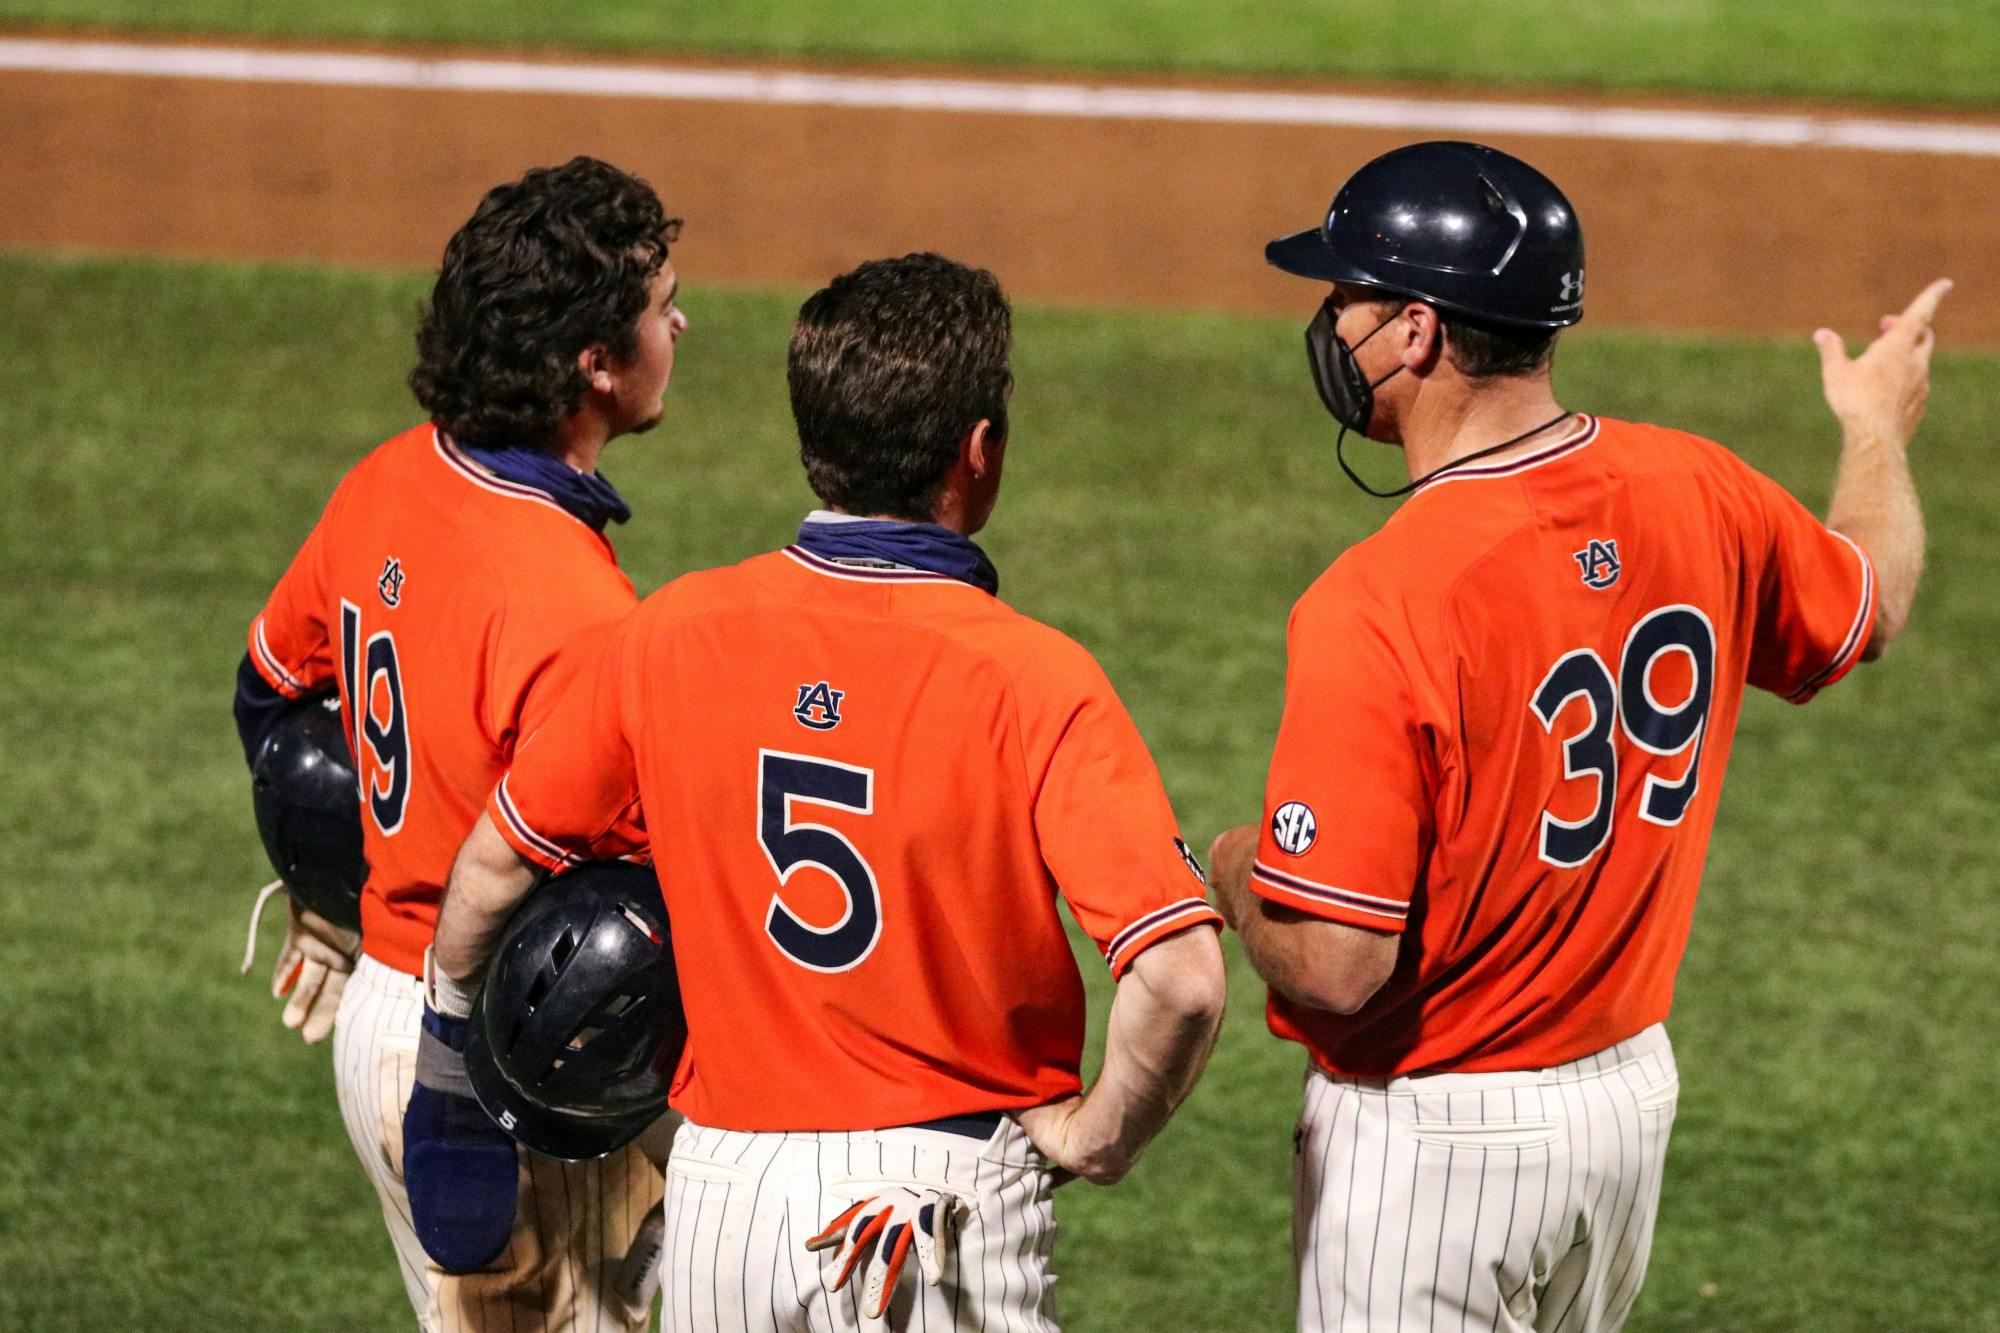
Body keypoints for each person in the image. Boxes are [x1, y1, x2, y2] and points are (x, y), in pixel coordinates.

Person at [1205, 140, 1945, 1332]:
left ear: (1414, 333)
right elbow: (1868, 599)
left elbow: (1334, 963)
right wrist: (1872, 427)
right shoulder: (1695, 488)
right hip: (1620, 1115)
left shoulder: (1380, 596)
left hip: (1431, 1149)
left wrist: (1237, 869)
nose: (1327, 321)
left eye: (1345, 297)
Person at [428, 252, 1228, 1332]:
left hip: (725, 1200)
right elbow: (1179, 979)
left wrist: (445, 1055)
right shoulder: (1031, 676)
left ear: (813, 444)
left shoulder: (669, 632)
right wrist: (1099, 1138)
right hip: (926, 1207)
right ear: (978, 452)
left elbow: (494, 866)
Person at [233, 155, 688, 1331]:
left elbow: (272, 701)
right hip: (505, 1057)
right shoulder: (570, 607)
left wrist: (326, 897)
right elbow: (638, 905)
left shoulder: (386, 478)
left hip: (385, 1018)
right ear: (595, 360)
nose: (680, 323)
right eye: (659, 305)